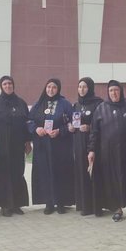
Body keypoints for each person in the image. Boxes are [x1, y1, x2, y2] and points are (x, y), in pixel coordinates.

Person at [88, 80, 126, 222]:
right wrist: (91, 150)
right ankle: (117, 209)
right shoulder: (101, 108)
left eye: (116, 90)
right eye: (111, 91)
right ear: (108, 93)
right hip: (108, 153)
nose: (114, 93)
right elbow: (94, 132)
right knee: (112, 181)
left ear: (121, 91)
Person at [28, 78, 75, 214]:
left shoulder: (65, 104)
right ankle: (49, 203)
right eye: (48, 87)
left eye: (54, 87)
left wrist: (60, 131)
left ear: (58, 89)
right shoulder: (38, 104)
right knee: (45, 173)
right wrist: (36, 129)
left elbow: (73, 123)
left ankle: (61, 202)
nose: (51, 90)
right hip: (42, 145)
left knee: (60, 172)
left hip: (60, 145)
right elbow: (29, 121)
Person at [0, 75, 31, 216]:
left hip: (18, 144)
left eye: (10, 83)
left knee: (17, 173)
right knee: (3, 174)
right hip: (1, 144)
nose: (8, 86)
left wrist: (28, 142)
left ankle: (17, 204)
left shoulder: (21, 103)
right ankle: (5, 205)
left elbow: (26, 124)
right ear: (1, 86)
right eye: (5, 84)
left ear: (13, 85)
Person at [70, 77, 103, 216]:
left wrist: (89, 127)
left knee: (93, 172)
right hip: (79, 143)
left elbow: (102, 123)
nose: (82, 89)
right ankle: (84, 205)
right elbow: (72, 121)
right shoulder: (76, 105)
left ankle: (96, 207)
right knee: (82, 173)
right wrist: (71, 127)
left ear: (90, 88)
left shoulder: (98, 103)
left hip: (93, 143)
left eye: (84, 87)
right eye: (79, 87)